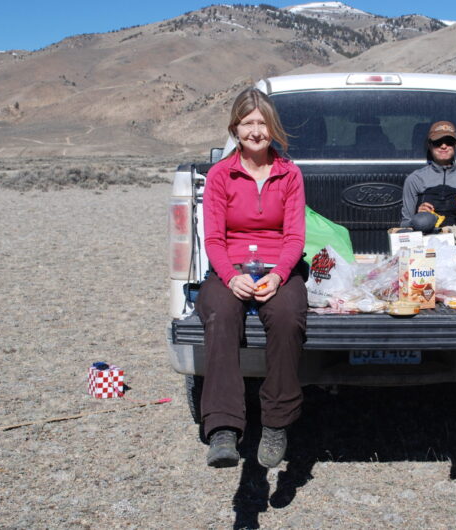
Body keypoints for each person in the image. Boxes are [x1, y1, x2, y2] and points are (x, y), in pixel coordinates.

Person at [196, 88, 307, 469]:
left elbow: (294, 236)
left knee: (288, 317)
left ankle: (276, 424)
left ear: (272, 127)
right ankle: (223, 429)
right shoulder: (220, 174)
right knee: (221, 315)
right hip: (231, 268)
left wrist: (278, 276)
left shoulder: (289, 173)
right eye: (248, 123)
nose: (256, 131)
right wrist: (229, 277)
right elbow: (213, 237)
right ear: (235, 128)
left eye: (262, 123)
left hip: (278, 268)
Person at [400, 121, 456, 252]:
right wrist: (418, 217)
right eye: (438, 142)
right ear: (429, 145)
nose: (444, 146)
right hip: (425, 241)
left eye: (449, 142)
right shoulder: (415, 179)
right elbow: (404, 224)